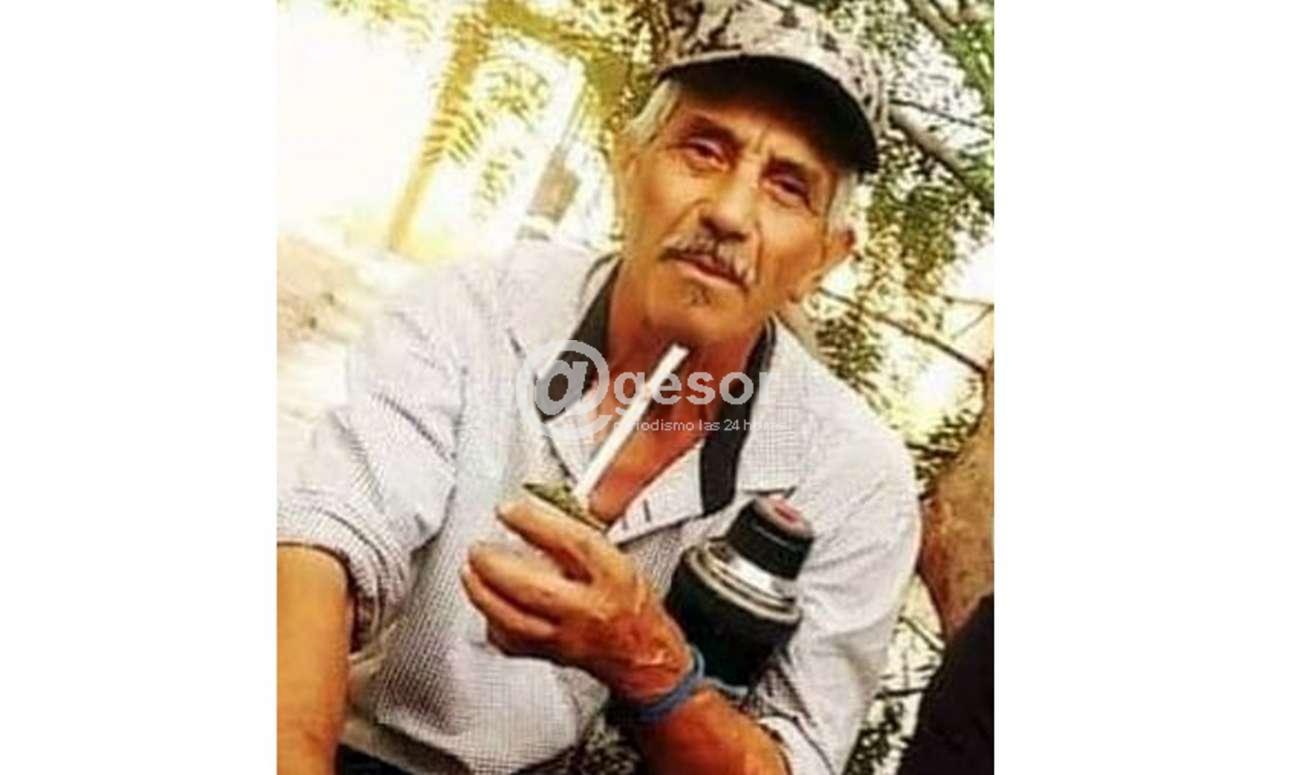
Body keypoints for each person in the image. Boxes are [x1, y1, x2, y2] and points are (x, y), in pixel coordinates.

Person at [277, 1, 919, 773]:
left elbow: (796, 758)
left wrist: (647, 662)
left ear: (824, 257)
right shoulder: (473, 315)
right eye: (703, 150)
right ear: (629, 167)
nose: (729, 212)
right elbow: (324, 549)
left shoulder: (854, 481)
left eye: (787, 186)